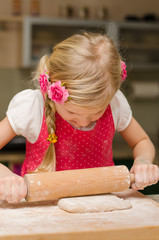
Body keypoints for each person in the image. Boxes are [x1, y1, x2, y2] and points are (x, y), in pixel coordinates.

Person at [0, 32, 158, 204]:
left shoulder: (115, 104)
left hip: (103, 205)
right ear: (54, 93)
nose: (83, 122)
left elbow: (141, 141)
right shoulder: (33, 107)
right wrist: (5, 175)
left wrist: (143, 162)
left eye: (95, 114)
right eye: (72, 113)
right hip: (42, 209)